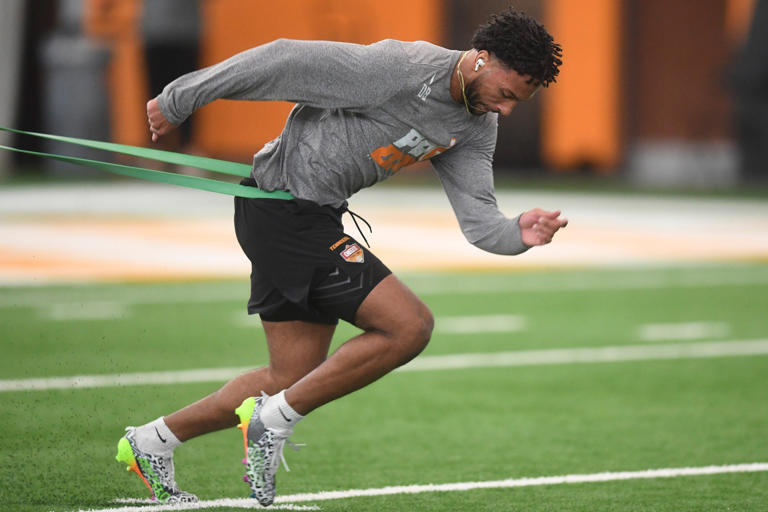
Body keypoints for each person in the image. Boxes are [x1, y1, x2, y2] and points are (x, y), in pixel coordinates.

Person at [115, 7, 567, 506]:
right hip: (283, 210)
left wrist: (516, 233)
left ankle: (152, 442)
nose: (506, 110)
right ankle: (272, 421)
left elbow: (479, 221)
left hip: (314, 216)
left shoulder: (477, 125)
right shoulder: (402, 69)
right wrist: (182, 97)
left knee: (287, 378)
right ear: (481, 60)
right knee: (410, 325)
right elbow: (283, 59)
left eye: (517, 104)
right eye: (507, 95)